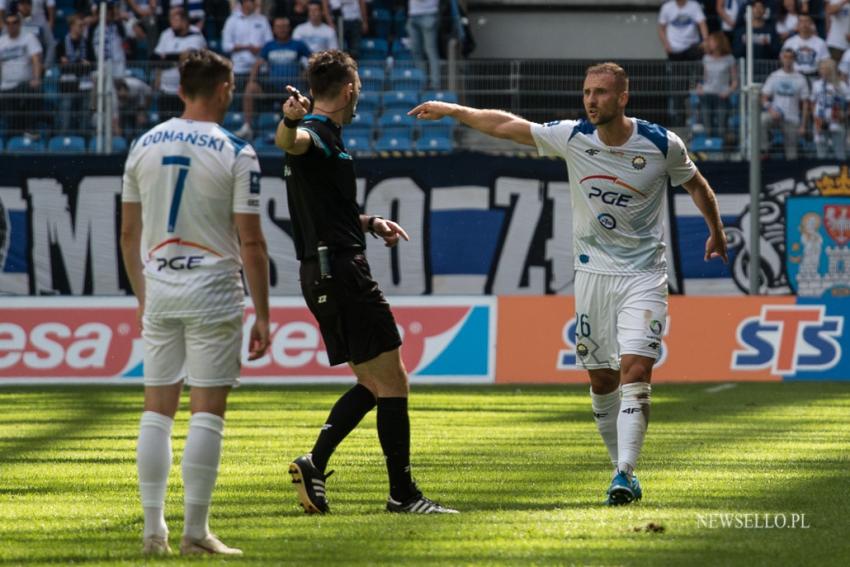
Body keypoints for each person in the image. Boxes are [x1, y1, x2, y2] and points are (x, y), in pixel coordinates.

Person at [409, 62, 728, 505]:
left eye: (600, 93)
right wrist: (452, 109)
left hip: (643, 275)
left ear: (622, 97)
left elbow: (697, 185)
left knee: (636, 370)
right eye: (586, 92)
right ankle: (622, 471)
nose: (591, 100)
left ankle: (624, 471)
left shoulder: (660, 143)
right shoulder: (574, 138)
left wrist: (716, 229)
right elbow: (507, 125)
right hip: (592, 276)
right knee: (601, 379)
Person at [276, 49, 457, 515]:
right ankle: (403, 494)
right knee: (392, 381)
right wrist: (288, 121)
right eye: (358, 91)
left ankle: (314, 462)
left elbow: (327, 212)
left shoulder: (325, 139)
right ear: (351, 90)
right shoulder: (315, 135)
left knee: (373, 384)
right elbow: (290, 142)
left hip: (321, 270)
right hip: (341, 271)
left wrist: (370, 221)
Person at [120, 48, 271, 557]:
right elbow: (251, 242)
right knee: (207, 412)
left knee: (156, 413)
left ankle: (152, 531)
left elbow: (127, 233)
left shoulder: (142, 145)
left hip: (159, 290)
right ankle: (195, 533)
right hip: (213, 293)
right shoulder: (236, 151)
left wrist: (144, 297)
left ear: (180, 89)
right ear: (225, 89)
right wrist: (265, 314)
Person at [237, 16, 310, 139]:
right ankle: (247, 127)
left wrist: (306, 73)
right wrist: (252, 80)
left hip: (293, 89)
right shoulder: (269, 46)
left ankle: (306, 128)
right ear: (274, 30)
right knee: (250, 88)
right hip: (271, 87)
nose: (282, 30)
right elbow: (257, 64)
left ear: (289, 28)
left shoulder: (298, 45)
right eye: (278, 27)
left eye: (284, 27)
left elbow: (312, 60)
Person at [153, 6, 206, 119]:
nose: (171, 22)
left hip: (186, 93)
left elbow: (189, 58)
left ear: (184, 20)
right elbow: (154, 58)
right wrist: (176, 58)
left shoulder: (195, 35)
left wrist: (167, 58)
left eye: (174, 19)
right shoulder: (166, 34)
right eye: (170, 18)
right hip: (166, 91)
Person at [0, 11, 43, 137]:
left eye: (14, 23)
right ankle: (16, 137)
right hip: (5, 86)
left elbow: (36, 59)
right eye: (8, 23)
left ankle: (26, 130)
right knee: (11, 116)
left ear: (19, 23)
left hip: (23, 84)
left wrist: (36, 78)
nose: (11, 26)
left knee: (33, 91)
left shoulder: (28, 38)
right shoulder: (1, 42)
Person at [761, 48, 810, 159]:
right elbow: (763, 97)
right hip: (775, 115)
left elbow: (806, 103)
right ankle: (764, 149)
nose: (788, 60)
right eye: (785, 57)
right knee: (762, 120)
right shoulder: (774, 76)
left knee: (792, 154)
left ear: (794, 60)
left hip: (792, 119)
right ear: (781, 59)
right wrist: (770, 109)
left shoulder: (801, 78)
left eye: (790, 58)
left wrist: (803, 125)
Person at [698, 31, 738, 139]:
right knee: (708, 126)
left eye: (711, 41)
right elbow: (705, 79)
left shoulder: (730, 59)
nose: (709, 43)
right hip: (707, 94)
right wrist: (700, 88)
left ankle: (722, 148)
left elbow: (735, 81)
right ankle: (708, 146)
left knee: (721, 127)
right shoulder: (706, 58)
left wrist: (728, 91)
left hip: (722, 95)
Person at [810, 57, 847, 158]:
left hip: (837, 121)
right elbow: (813, 102)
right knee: (821, 152)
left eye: (826, 69)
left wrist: (844, 114)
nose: (823, 71)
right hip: (820, 120)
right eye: (821, 68)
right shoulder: (816, 84)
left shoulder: (841, 85)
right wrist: (815, 118)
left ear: (832, 70)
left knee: (840, 152)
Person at [782, 14, 830, 81]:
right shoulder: (789, 42)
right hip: (794, 77)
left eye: (807, 21)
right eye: (801, 21)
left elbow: (826, 62)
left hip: (814, 77)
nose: (804, 24)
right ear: (797, 24)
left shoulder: (821, 43)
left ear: (811, 24)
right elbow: (783, 60)